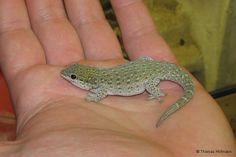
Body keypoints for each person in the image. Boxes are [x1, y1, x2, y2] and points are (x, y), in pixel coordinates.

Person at [0, 1, 235, 156]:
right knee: (146, 68)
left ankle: (157, 91)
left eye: (72, 76)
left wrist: (93, 98)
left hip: (152, 73)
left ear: (85, 81)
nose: (68, 78)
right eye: (72, 75)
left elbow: (100, 93)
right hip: (151, 66)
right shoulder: (101, 77)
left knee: (151, 83)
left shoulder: (101, 84)